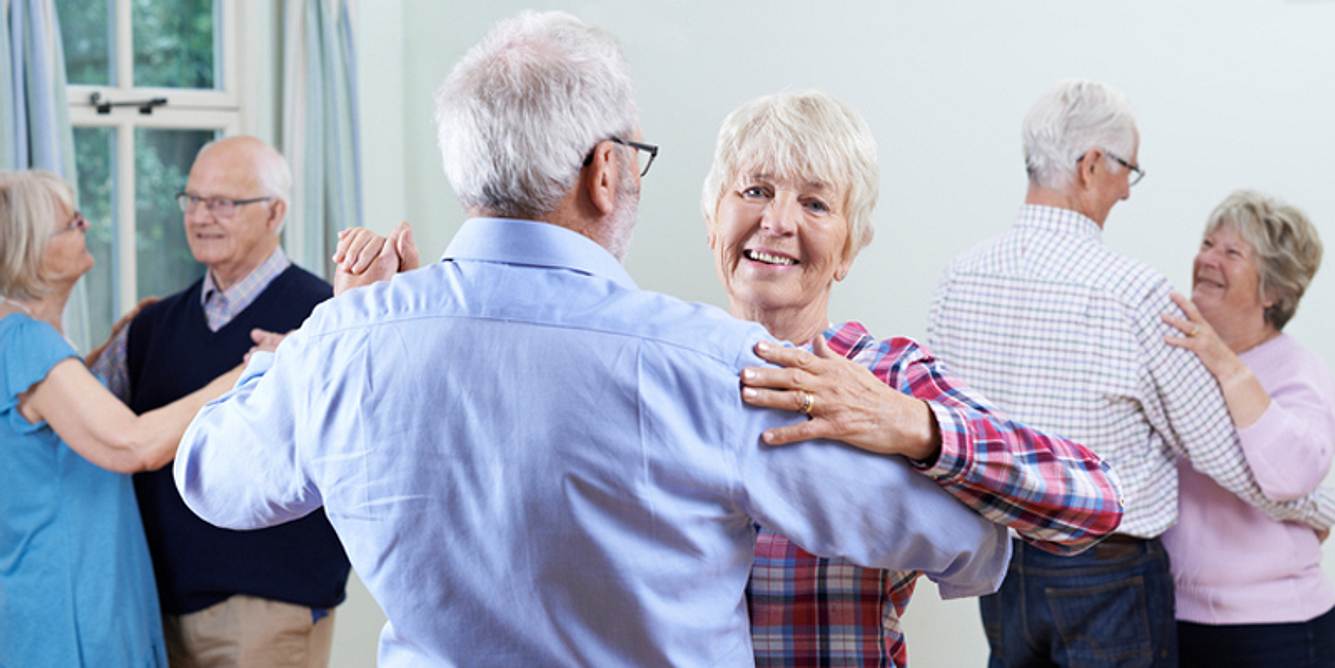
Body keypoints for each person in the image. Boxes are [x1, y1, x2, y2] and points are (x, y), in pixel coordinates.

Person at [172, 11, 1011, 666]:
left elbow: (211, 477)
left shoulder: (344, 340)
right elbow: (966, 542)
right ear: (604, 172)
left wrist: (322, 337)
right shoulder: (711, 366)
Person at [691, 90, 1123, 666]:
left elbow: (1095, 502)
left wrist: (909, 423)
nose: (777, 221)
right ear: (713, 218)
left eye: (815, 204)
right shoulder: (664, 371)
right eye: (755, 191)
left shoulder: (885, 376)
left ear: (848, 249)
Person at [928, 79, 1335, 666]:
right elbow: (1219, 451)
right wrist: (1318, 511)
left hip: (1003, 565)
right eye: (1127, 170)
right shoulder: (1133, 294)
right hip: (1106, 572)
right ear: (1091, 165)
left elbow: (948, 425)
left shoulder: (959, 278)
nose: (1125, 190)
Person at [88, 137, 350, 667]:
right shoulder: (151, 325)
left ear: (275, 213)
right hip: (158, 610)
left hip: (270, 609)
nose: (201, 217)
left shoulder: (327, 319)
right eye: (193, 200)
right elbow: (84, 425)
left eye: (223, 203)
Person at [0, 170, 244, 666]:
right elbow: (133, 444)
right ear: (33, 250)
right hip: (67, 603)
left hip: (58, 590)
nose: (86, 225)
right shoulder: (28, 341)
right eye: (71, 223)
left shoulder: (25, 344)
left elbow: (49, 429)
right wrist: (250, 371)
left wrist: (109, 347)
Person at [1159, 191, 1335, 667]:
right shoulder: (1178, 359)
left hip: (1276, 629)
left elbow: (1293, 474)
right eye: (1207, 243)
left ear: (1272, 291)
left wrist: (1226, 364)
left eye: (1232, 252)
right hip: (1175, 617)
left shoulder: (1298, 370)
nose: (1207, 260)